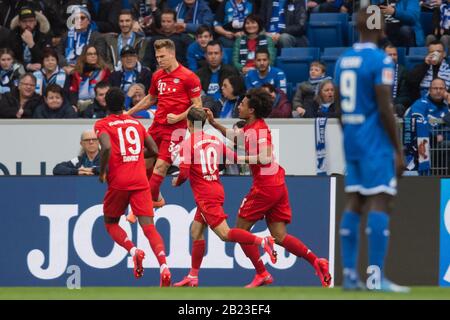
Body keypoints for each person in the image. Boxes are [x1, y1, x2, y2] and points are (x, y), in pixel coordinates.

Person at [205, 88, 331, 288]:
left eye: (243, 104)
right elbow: (236, 138)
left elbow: (265, 157)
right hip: (277, 183)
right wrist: (213, 123)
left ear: (252, 109)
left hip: (265, 186)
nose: (239, 106)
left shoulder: (260, 130)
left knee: (239, 231)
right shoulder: (250, 128)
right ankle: (317, 261)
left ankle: (262, 273)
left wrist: (237, 158)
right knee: (280, 236)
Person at [334, 8, 410, 292]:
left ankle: (350, 274)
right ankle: (376, 277)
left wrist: (350, 136)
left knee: (355, 200)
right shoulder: (380, 61)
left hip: (351, 137)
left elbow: (339, 109)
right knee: (381, 199)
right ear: (381, 30)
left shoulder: (343, 60)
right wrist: (398, 149)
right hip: (374, 139)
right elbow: (385, 107)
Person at [171, 107, 277, 287]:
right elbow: (234, 158)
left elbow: (184, 172)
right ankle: (193, 276)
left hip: (205, 196)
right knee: (196, 231)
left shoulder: (188, 144)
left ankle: (262, 240)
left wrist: (177, 182)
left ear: (188, 123)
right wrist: (258, 159)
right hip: (216, 189)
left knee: (225, 234)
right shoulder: (214, 140)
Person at [95, 87, 172, 286]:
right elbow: (154, 149)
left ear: (106, 104)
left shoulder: (102, 124)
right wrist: (135, 155)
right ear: (124, 104)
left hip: (119, 182)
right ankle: (164, 266)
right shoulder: (135, 123)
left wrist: (103, 171)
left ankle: (133, 250)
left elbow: (107, 148)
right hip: (139, 181)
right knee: (149, 227)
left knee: (111, 223)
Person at [127, 39, 202, 218]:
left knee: (161, 167)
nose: (159, 60)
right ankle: (157, 198)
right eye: (157, 56)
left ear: (172, 54)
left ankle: (140, 209)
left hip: (175, 130)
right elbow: (150, 98)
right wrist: (128, 113)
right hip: (157, 126)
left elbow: (197, 106)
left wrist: (179, 117)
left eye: (162, 56)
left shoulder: (189, 77)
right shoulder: (157, 75)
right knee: (144, 163)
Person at [69, 44, 111, 113]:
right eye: (89, 54)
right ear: (84, 56)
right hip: (80, 106)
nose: (93, 56)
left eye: (95, 54)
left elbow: (107, 90)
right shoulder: (77, 73)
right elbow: (74, 91)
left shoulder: (104, 71)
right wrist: (73, 105)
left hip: (99, 107)